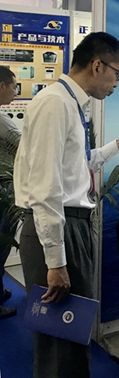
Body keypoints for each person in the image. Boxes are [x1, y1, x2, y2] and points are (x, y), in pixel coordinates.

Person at [14, 32, 119, 378]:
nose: (117, 83)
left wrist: (118, 144)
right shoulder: (56, 104)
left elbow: (76, 165)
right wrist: (56, 262)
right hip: (58, 228)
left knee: (71, 337)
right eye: (117, 73)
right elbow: (45, 188)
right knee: (60, 340)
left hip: (68, 226)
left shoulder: (70, 104)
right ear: (97, 65)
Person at [0, 65, 20, 320]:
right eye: (14, 87)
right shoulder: (2, 121)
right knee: (2, 242)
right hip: (3, 190)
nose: (16, 92)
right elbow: (23, 146)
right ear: (1, 86)